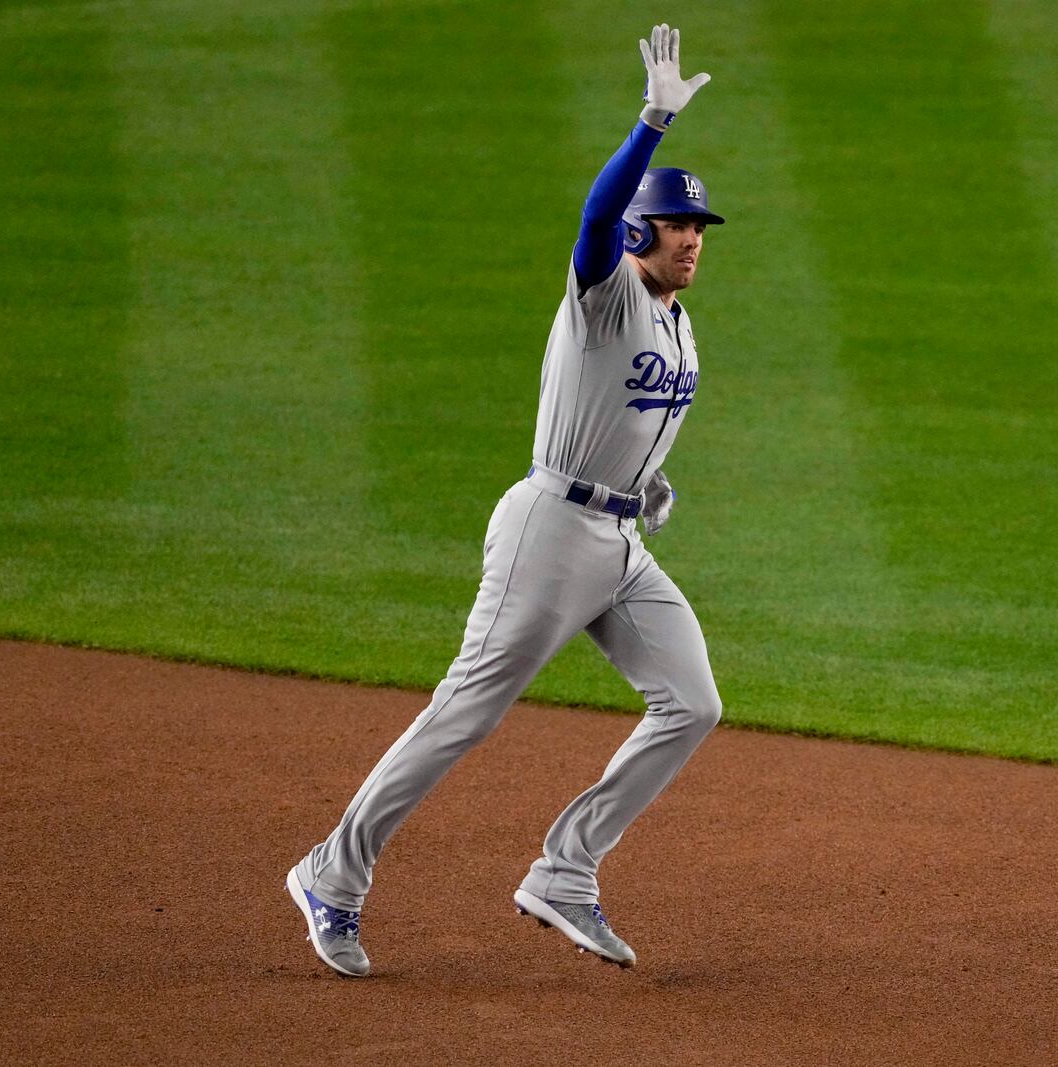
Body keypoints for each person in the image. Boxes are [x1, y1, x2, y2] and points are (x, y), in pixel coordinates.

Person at [286, 23, 723, 974]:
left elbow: (626, 411)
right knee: (465, 713)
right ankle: (332, 872)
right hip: (548, 531)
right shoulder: (605, 289)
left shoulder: (682, 325)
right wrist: (651, 122)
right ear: (641, 232)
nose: (691, 240)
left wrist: (644, 481)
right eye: (677, 225)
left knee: (691, 702)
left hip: (615, 542)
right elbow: (596, 210)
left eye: (700, 227)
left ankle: (567, 870)